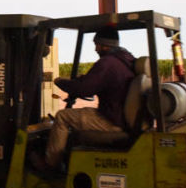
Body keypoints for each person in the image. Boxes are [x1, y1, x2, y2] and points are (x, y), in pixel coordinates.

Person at [30, 25, 136, 172]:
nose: (95, 49)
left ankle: (50, 165)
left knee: (62, 117)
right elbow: (94, 84)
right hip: (120, 116)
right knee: (77, 116)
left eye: (96, 45)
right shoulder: (126, 60)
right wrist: (81, 82)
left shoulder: (107, 63)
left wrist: (60, 82)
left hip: (112, 120)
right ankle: (66, 158)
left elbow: (83, 88)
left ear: (103, 45)